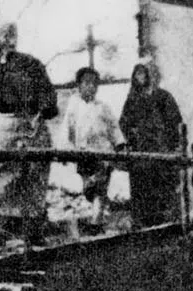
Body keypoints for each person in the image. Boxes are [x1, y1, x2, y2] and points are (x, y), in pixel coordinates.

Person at [0, 22, 58, 244]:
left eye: (11, 35)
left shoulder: (31, 64)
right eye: (3, 35)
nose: (8, 40)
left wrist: (40, 114)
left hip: (31, 124)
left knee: (33, 174)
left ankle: (31, 227)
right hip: (2, 126)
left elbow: (47, 95)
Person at [119, 62, 184, 229]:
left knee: (162, 183)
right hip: (140, 149)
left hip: (160, 148)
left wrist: (171, 143)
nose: (141, 77)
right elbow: (123, 122)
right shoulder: (132, 99)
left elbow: (175, 122)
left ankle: (164, 222)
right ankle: (142, 222)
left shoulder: (164, 96)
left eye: (144, 73)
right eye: (138, 73)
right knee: (141, 184)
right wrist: (133, 136)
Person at [62, 67, 125, 231]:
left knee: (100, 188)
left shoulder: (103, 107)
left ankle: (95, 223)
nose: (91, 87)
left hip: (103, 153)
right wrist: (66, 149)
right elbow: (67, 130)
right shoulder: (73, 107)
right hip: (84, 154)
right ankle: (96, 214)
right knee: (88, 189)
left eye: (94, 84)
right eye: (87, 83)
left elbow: (114, 128)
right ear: (79, 85)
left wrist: (119, 144)